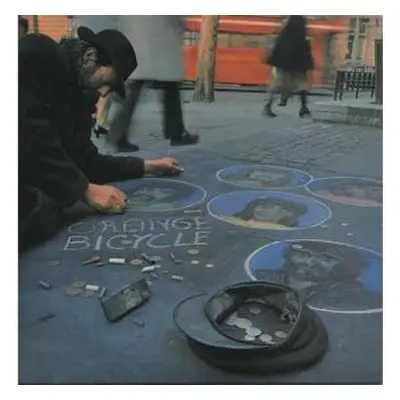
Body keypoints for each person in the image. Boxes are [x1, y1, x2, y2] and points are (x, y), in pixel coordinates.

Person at [19, 27, 183, 251]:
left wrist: (145, 166)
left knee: (49, 204)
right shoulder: (39, 53)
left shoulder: (79, 98)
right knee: (39, 206)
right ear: (93, 58)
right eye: (108, 82)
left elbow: (85, 161)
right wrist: (84, 189)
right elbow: (26, 132)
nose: (105, 93)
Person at [106, 15, 199, 151]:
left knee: (140, 88)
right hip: (159, 38)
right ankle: (175, 133)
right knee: (165, 87)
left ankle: (117, 135)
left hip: (137, 38)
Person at [263, 16, 314, 118]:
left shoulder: (284, 36)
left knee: (277, 86)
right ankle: (303, 108)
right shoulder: (302, 37)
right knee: (302, 87)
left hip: (284, 67)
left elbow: (278, 51)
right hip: (298, 68)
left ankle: (268, 106)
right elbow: (306, 53)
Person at [224, 198, 307, 230]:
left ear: (286, 213)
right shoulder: (231, 220)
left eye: (268, 206)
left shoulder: (282, 228)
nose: (259, 209)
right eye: (258, 206)